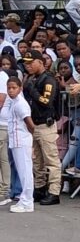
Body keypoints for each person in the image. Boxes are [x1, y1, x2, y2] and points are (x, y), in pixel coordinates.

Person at [21, 50, 61, 204]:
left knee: (51, 160)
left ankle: (54, 192)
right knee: (37, 161)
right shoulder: (32, 78)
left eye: (31, 63)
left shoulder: (48, 79)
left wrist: (32, 89)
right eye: (26, 63)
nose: (28, 66)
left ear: (40, 62)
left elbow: (46, 101)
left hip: (46, 124)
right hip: (34, 124)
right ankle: (39, 188)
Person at [6, 74, 35, 214]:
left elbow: (30, 124)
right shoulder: (14, 103)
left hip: (22, 141)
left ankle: (27, 201)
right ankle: (25, 199)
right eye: (9, 88)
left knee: (25, 172)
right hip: (16, 141)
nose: (11, 90)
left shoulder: (20, 104)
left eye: (14, 88)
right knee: (22, 171)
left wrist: (30, 139)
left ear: (20, 88)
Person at [0, 63, 11, 205]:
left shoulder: (2, 77)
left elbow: (1, 101)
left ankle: (4, 191)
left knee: (3, 159)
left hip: (3, 124)